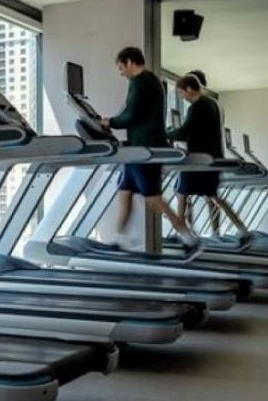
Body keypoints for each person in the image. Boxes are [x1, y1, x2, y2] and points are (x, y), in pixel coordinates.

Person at [100, 47, 204, 259]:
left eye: (121, 68)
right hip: (137, 148)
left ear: (130, 62)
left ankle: (190, 240)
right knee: (125, 192)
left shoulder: (140, 82)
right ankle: (119, 240)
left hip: (143, 149)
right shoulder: (153, 81)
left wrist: (109, 121)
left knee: (153, 198)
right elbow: (136, 112)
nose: (121, 73)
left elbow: (131, 114)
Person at [168, 71, 254, 247]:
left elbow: (185, 132)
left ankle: (183, 234)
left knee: (182, 193)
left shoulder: (197, 107)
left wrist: (164, 134)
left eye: (181, 93)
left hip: (198, 160)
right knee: (213, 196)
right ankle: (242, 229)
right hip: (211, 158)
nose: (182, 97)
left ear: (190, 89)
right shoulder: (212, 104)